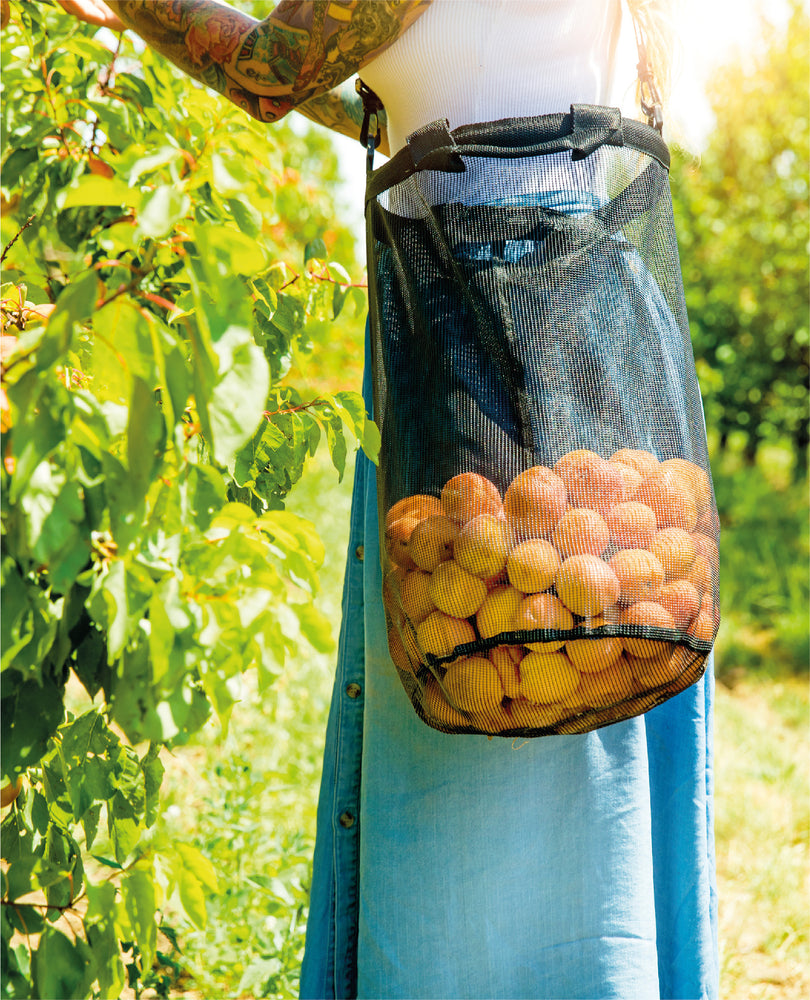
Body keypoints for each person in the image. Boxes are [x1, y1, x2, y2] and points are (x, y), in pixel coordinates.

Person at [58, 4, 718, 999]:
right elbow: (413, 100)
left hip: (469, 346)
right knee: (605, 639)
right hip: (600, 333)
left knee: (477, 657)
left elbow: (274, 69)